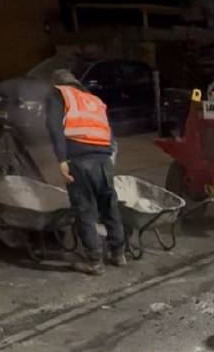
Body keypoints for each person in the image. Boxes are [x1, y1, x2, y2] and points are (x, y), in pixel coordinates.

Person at [46, 69, 126, 275]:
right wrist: (109, 158)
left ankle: (94, 260)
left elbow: (54, 127)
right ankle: (118, 253)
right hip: (104, 160)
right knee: (109, 207)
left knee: (85, 210)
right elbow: (109, 132)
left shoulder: (58, 95)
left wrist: (62, 159)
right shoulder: (93, 100)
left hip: (80, 161)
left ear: (58, 83)